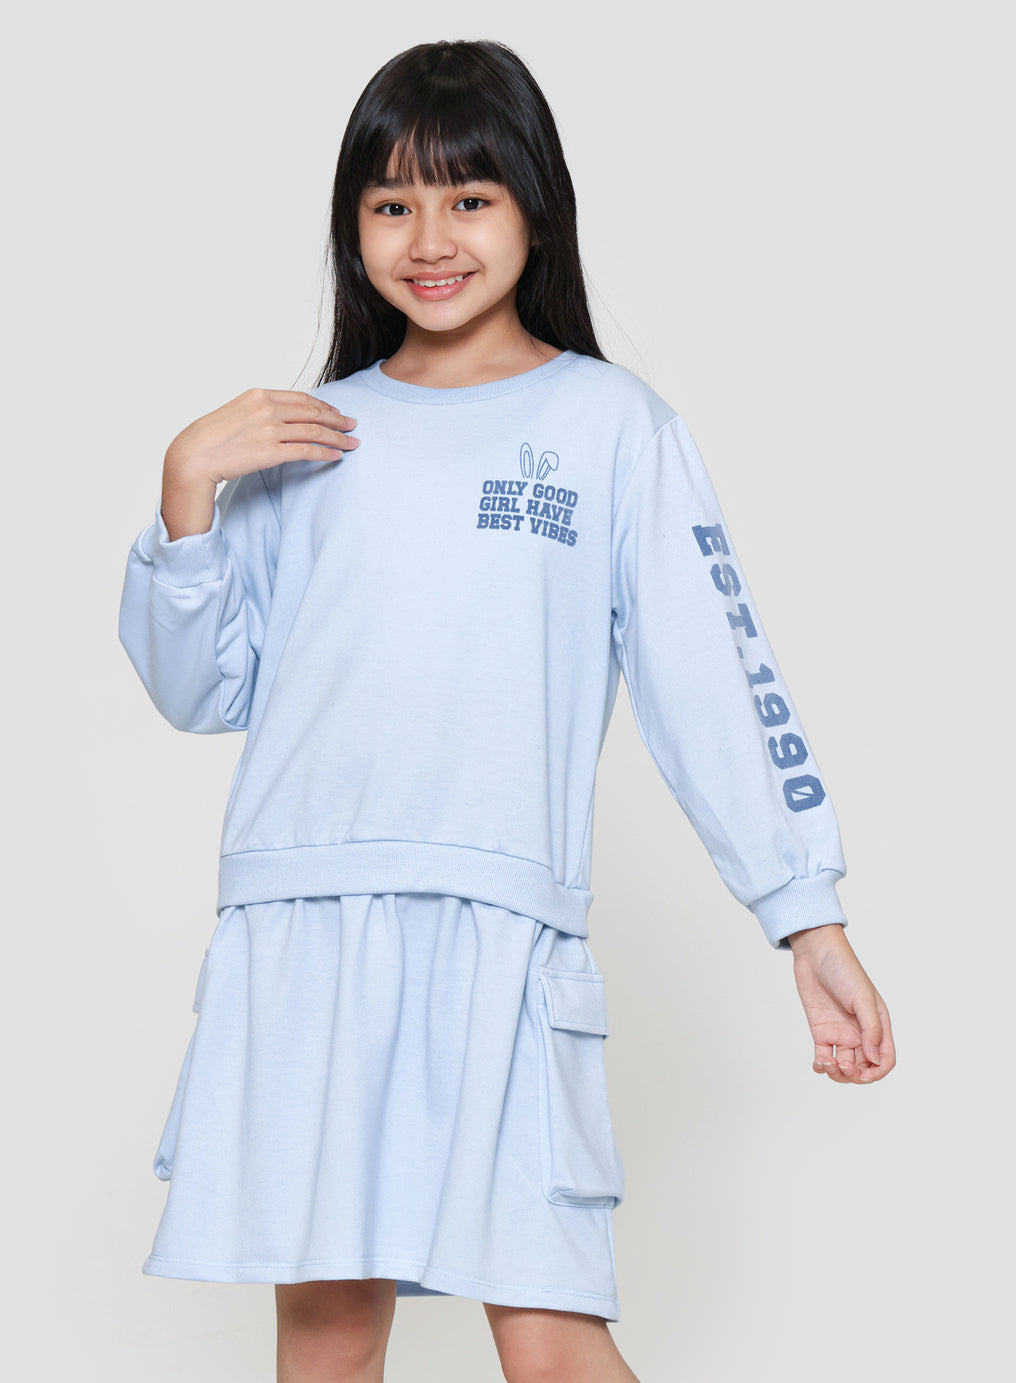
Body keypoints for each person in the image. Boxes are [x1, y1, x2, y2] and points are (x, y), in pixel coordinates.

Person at [117, 37, 895, 1383]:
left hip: (500, 928)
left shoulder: (610, 426)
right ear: (353, 224)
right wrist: (186, 489)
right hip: (303, 929)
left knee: (548, 1341)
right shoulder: (303, 439)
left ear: (536, 208)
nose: (430, 239)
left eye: (469, 198)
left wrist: (804, 915)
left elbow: (710, 681)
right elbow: (202, 691)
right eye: (393, 203)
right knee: (326, 1337)